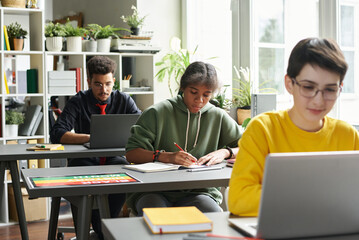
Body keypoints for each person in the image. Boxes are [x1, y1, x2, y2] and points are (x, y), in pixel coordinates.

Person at [228, 37, 359, 217]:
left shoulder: (348, 135)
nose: (318, 100)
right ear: (289, 84)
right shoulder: (263, 129)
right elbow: (238, 199)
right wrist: (317, 201)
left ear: (340, 88)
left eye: (330, 89)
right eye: (308, 87)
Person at [126, 61, 242, 216]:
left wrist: (225, 152)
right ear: (182, 88)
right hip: (153, 190)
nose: (199, 100)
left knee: (213, 217)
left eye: (206, 95)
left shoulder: (217, 116)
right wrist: (167, 156)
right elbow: (132, 153)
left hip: (200, 192)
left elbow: (247, 148)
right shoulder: (157, 112)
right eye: (193, 92)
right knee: (157, 219)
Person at [50, 56, 141, 239]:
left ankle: (102, 230)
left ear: (114, 81)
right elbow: (57, 133)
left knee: (125, 175)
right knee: (90, 206)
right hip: (85, 160)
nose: (104, 90)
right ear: (89, 81)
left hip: (114, 159)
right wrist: (91, 138)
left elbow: (142, 127)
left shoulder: (124, 100)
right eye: (98, 84)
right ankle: (95, 231)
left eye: (108, 84)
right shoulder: (79, 101)